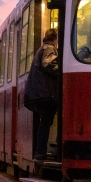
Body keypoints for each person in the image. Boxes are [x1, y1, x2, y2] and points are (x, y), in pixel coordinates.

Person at [24, 28, 60, 161]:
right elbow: (48, 64)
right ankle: (43, 152)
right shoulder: (49, 48)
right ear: (54, 39)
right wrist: (61, 70)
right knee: (48, 121)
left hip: (41, 94)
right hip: (46, 94)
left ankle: (41, 152)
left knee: (45, 122)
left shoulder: (42, 48)